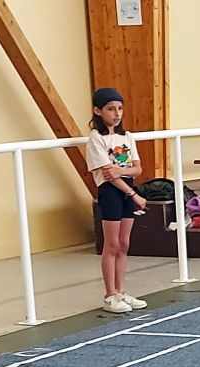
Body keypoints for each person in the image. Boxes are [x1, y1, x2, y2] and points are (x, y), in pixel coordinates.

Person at [86, 87, 148, 314]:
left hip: (127, 189)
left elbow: (137, 169)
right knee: (111, 244)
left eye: (120, 108)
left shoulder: (127, 137)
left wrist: (121, 170)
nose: (117, 114)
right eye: (111, 109)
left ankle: (121, 290)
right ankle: (109, 294)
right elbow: (108, 175)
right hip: (111, 192)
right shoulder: (96, 138)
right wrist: (133, 194)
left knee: (124, 243)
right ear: (98, 111)